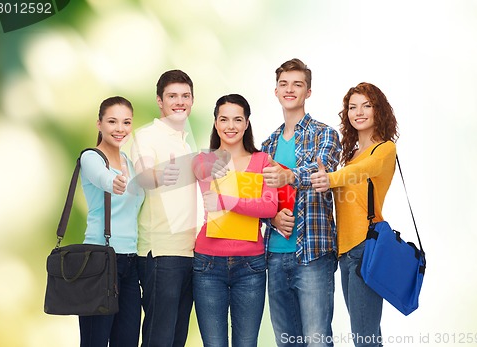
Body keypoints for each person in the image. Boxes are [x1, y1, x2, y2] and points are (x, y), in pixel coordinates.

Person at [310, 82, 399, 347]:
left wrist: (331, 178)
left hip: (365, 248)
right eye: (352, 107)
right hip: (345, 252)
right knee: (364, 334)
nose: (358, 112)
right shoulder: (348, 156)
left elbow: (364, 170)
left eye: (367, 106)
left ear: (378, 111)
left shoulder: (383, 149)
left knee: (365, 337)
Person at [261, 58, 341, 347]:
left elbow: (324, 171)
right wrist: (270, 219)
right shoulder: (267, 145)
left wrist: (289, 176)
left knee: (317, 340)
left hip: (313, 253)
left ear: (308, 92)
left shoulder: (325, 134)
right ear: (276, 91)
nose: (290, 89)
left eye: (298, 84)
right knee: (286, 342)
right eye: (284, 84)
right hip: (275, 254)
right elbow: (257, 197)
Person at [192, 94, 278, 347]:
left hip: (250, 265)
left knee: (247, 343)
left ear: (247, 123)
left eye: (237, 119)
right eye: (224, 119)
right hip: (208, 263)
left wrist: (228, 201)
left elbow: (269, 207)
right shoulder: (203, 161)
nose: (231, 126)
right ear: (216, 123)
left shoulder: (263, 161)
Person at [131, 70, 198, 347]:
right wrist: (158, 175)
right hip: (160, 252)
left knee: (177, 338)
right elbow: (143, 174)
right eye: (172, 96)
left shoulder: (187, 141)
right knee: (159, 338)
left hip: (190, 251)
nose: (179, 102)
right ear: (160, 101)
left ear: (192, 100)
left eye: (185, 96)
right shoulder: (146, 136)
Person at [79, 96, 144, 347]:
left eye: (126, 122)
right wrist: (115, 182)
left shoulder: (129, 162)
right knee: (95, 341)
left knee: (127, 340)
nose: (120, 129)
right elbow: (104, 179)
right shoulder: (91, 158)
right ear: (99, 124)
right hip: (100, 260)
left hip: (130, 261)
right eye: (112, 122)